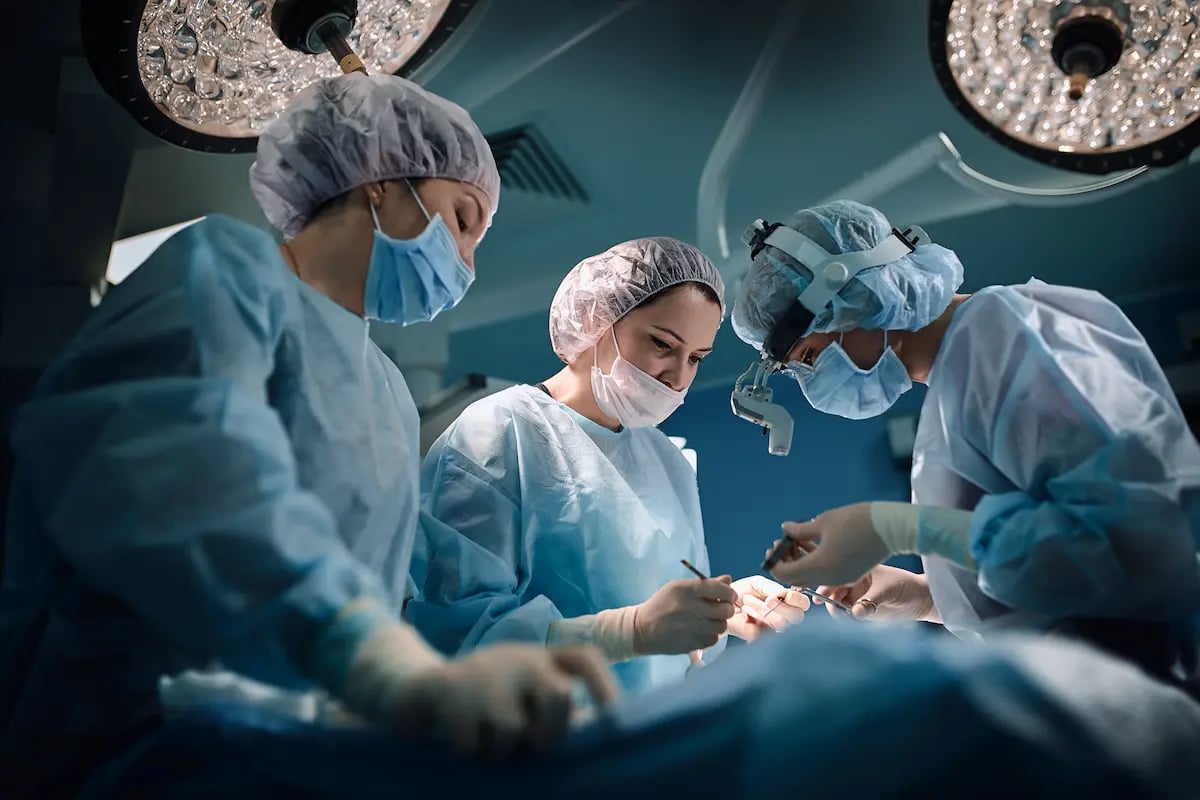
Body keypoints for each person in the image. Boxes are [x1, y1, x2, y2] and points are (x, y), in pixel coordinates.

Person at [0, 73, 621, 796]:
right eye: (461, 217)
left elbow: (375, 586)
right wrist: (381, 668)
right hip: (123, 737)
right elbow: (185, 480)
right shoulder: (228, 269)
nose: (467, 264)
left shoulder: (387, 390)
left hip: (288, 750)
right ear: (381, 183)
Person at [731, 199, 1200, 689]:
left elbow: (1133, 543)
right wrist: (926, 597)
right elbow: (1053, 571)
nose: (811, 381)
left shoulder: (1011, 339)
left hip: (1164, 693)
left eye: (809, 355)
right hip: (1106, 696)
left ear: (858, 295)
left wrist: (897, 527)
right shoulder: (956, 384)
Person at [409, 239, 808, 695]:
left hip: (643, 736)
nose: (677, 377)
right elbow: (459, 632)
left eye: (696, 359)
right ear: (596, 321)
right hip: (532, 743)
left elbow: (664, 609)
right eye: (662, 344)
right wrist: (628, 633)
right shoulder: (500, 431)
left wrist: (723, 610)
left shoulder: (666, 459)